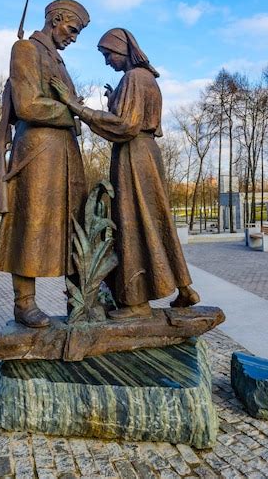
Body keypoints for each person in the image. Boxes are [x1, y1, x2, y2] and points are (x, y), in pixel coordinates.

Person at [50, 28, 200, 320]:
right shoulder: (146, 78)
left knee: (132, 223)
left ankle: (137, 303)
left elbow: (126, 126)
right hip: (145, 154)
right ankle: (184, 288)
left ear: (122, 49)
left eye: (108, 55)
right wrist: (114, 100)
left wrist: (76, 107)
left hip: (134, 155)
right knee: (155, 221)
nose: (107, 62)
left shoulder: (133, 77)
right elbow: (131, 116)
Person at [0, 0, 89, 327]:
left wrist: (73, 109)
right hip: (37, 152)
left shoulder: (57, 60)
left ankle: (79, 302)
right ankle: (24, 303)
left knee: (73, 224)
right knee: (31, 223)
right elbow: (29, 105)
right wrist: (73, 110)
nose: (74, 37)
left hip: (64, 153)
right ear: (55, 19)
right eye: (72, 29)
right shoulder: (25, 49)